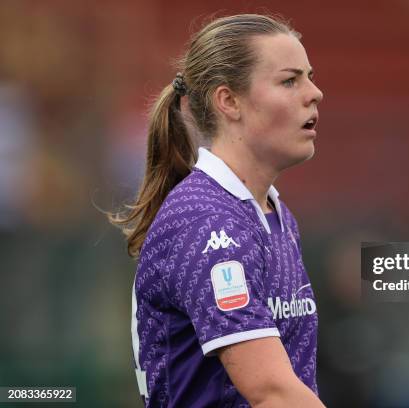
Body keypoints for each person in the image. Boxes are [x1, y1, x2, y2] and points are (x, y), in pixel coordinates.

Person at [109, 14, 324, 407]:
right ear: (229, 101)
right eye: (289, 80)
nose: (315, 93)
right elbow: (271, 393)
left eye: (309, 76)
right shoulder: (208, 221)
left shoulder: (273, 214)